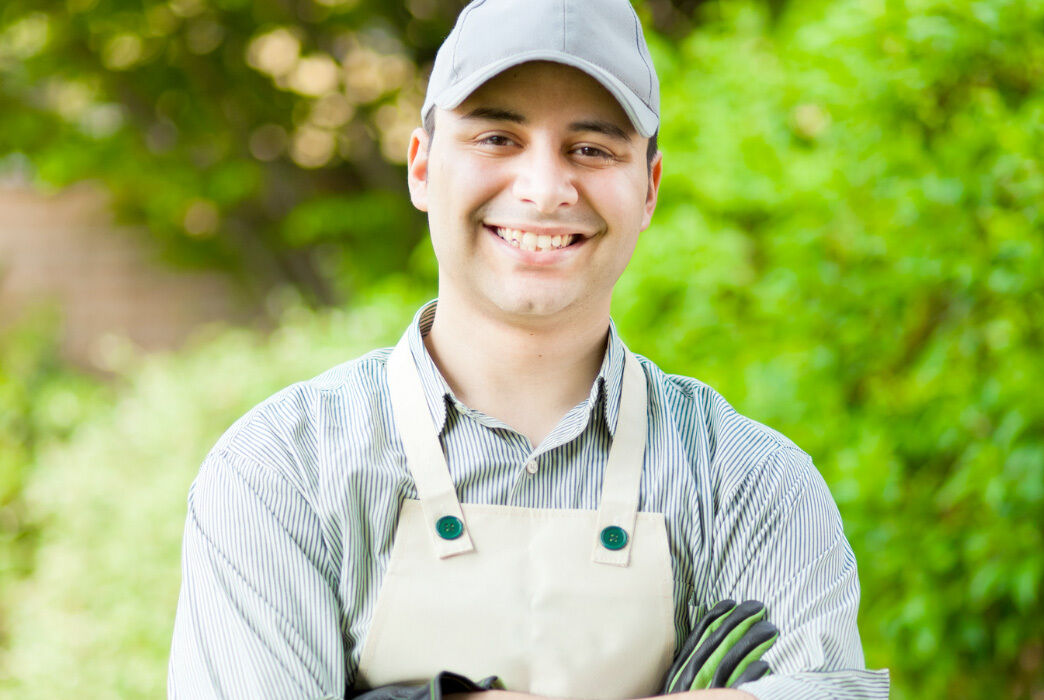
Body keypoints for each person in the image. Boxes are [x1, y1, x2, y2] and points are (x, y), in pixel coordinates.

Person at [167, 0, 890, 698]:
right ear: (421, 167)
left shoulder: (750, 486)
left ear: (648, 189)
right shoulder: (284, 472)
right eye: (497, 138)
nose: (545, 190)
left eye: (591, 149)